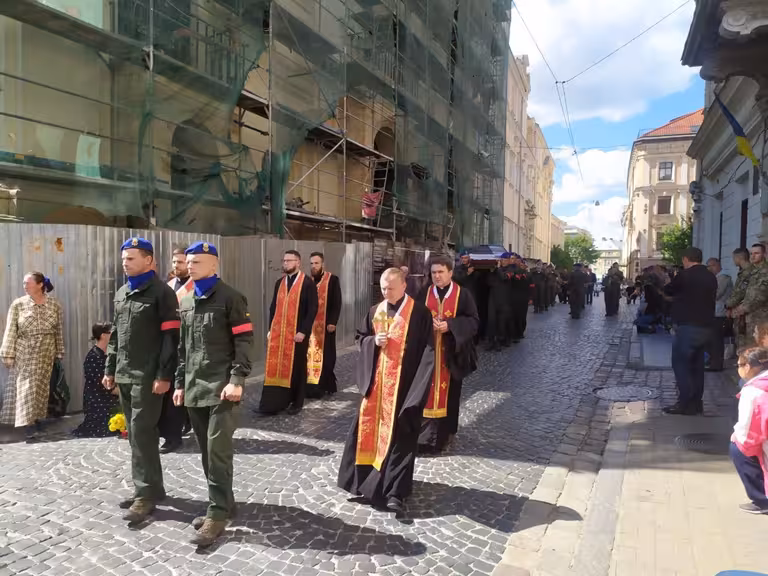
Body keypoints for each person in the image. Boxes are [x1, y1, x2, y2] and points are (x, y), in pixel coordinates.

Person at [173, 241, 254, 547]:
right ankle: (225, 502)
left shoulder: (231, 298)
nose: (189, 266)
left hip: (222, 387)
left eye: (196, 262)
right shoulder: (186, 302)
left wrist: (237, 379)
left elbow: (244, 341)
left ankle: (217, 513)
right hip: (195, 386)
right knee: (206, 451)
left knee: (217, 449)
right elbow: (184, 349)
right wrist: (180, 384)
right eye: (188, 262)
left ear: (214, 265)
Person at [337, 268, 434, 513]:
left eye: (390, 288)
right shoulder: (374, 311)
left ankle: (395, 492)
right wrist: (373, 342)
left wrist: (418, 392)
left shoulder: (420, 313)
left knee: (402, 438)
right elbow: (360, 338)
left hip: (405, 389)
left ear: (404, 286)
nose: (385, 292)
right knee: (367, 433)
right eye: (382, 288)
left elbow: (428, 353)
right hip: (376, 389)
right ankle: (363, 484)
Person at [103, 237, 180, 524]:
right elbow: (116, 335)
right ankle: (149, 488)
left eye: (131, 258)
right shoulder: (122, 292)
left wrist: (164, 375)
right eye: (124, 258)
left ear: (148, 260)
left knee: (142, 432)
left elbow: (170, 338)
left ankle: (145, 494)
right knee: (135, 434)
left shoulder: (162, 293)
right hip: (125, 373)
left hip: (148, 377)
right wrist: (110, 369)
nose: (125, 262)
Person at [417, 255, 478, 452]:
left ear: (450, 273)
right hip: (428, 355)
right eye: (433, 272)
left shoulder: (463, 294)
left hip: (452, 355)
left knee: (450, 397)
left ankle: (445, 436)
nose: (437, 276)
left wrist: (450, 326)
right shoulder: (424, 293)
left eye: (441, 272)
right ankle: (424, 440)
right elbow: (413, 318)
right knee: (425, 394)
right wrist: (428, 324)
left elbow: (473, 321)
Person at [1, 272, 64, 437]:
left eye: (28, 283)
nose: (25, 286)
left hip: (46, 350)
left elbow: (58, 329)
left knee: (42, 386)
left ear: (40, 285)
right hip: (25, 350)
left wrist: (59, 350)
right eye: (24, 283)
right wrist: (7, 353)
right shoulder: (18, 304)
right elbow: (10, 329)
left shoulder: (54, 304)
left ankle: (36, 419)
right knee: (27, 385)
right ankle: (27, 423)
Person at [260, 250, 318, 415]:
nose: (285, 263)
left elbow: (312, 309)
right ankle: (274, 403)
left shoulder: (307, 283)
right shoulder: (280, 283)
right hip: (279, 335)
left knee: (297, 367)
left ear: (298, 262)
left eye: (289, 260)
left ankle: (296, 402)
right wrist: (271, 329)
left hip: (297, 335)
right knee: (276, 366)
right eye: (284, 260)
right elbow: (273, 307)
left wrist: (303, 331)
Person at [662, 247, 717, 416]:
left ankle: (684, 403)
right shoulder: (711, 276)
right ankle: (696, 403)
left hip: (688, 326)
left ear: (686, 259)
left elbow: (668, 290)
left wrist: (669, 280)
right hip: (706, 326)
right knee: (697, 366)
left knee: (681, 365)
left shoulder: (685, 275)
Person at [159, 245, 194, 453]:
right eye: (174, 262)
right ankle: (172, 435)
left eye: (180, 262)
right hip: (170, 345)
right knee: (173, 391)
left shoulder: (196, 286)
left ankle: (182, 426)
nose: (176, 265)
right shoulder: (169, 285)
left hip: (190, 346)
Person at [730, 347, 768, 514]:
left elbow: (747, 431)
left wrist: (737, 437)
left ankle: (762, 500)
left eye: (739, 365)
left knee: (737, 448)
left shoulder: (753, 390)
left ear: (747, 367)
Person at [305, 252, 342, 399]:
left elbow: (336, 302)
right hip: (309, 327)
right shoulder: (307, 281)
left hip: (325, 326)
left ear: (322, 264)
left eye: (317, 263)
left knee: (326, 357)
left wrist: (333, 321)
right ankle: (310, 386)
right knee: (308, 357)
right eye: (312, 263)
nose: (314, 266)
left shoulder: (332, 280)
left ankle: (325, 385)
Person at [72, 323, 119, 438]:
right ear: (103, 335)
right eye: (111, 333)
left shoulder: (107, 354)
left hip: (109, 395)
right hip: (98, 399)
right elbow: (103, 385)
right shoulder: (93, 357)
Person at [729, 246, 768, 354]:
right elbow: (744, 293)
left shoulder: (765, 272)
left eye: (757, 253)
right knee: (747, 348)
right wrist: (736, 306)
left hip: (760, 316)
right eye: (751, 253)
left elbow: (761, 295)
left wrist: (743, 308)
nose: (753, 256)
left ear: (764, 254)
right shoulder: (752, 272)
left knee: (759, 348)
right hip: (748, 317)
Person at [705, 258, 733, 372]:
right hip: (714, 312)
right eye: (708, 266)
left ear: (716, 265)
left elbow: (716, 294)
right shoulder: (716, 277)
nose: (709, 269)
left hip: (720, 313)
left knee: (716, 340)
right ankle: (712, 361)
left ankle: (716, 364)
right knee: (711, 339)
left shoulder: (723, 277)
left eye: (710, 266)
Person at [726, 248, 756, 351]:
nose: (733, 260)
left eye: (734, 258)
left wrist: (728, 305)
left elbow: (740, 293)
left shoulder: (748, 272)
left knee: (743, 343)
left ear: (739, 257)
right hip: (741, 312)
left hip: (743, 313)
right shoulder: (745, 272)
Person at [486, 253, 512, 350]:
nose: (503, 262)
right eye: (502, 260)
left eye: (505, 260)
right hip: (493, 299)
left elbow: (503, 277)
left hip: (504, 300)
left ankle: (499, 341)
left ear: (508, 261)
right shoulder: (496, 270)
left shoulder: (511, 270)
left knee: (501, 322)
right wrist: (492, 272)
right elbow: (489, 282)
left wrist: (497, 269)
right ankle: (491, 341)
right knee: (491, 321)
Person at [508, 254, 530, 342]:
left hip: (523, 297)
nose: (515, 261)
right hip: (513, 297)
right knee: (514, 316)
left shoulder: (525, 273)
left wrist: (530, 298)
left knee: (522, 316)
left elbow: (530, 285)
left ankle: (520, 332)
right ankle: (514, 334)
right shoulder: (511, 270)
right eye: (513, 259)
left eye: (517, 260)